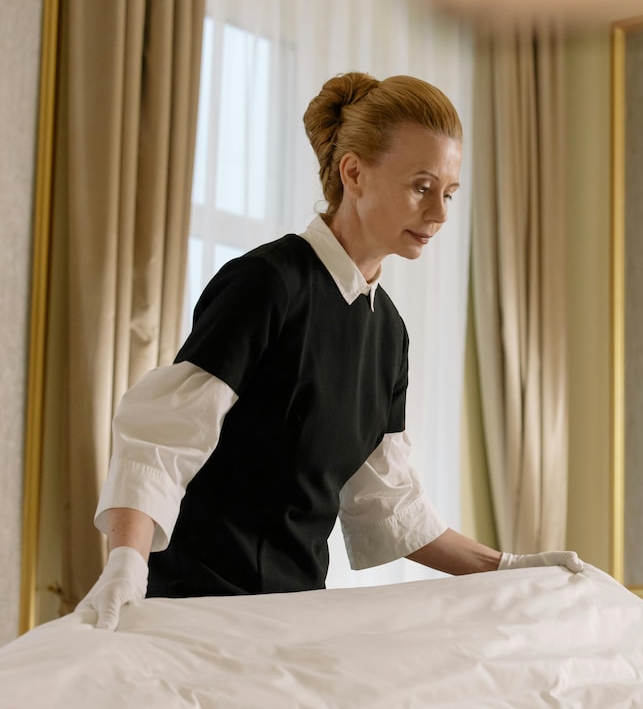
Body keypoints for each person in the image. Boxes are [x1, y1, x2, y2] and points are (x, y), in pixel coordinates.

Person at [77, 72, 583, 631]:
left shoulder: (388, 334)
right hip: (199, 609)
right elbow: (162, 439)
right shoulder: (266, 284)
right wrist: (126, 564)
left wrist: (505, 567)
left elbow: (388, 503)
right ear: (354, 173)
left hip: (294, 618)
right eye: (421, 187)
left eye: (448, 193)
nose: (439, 214)